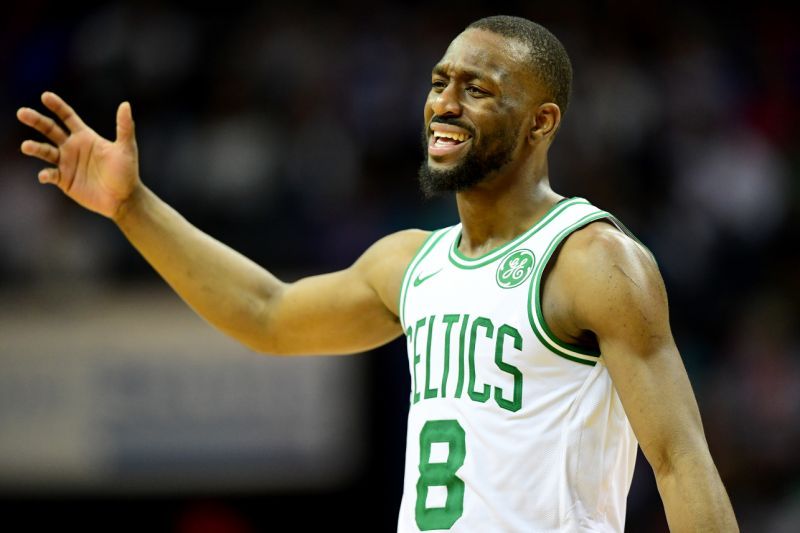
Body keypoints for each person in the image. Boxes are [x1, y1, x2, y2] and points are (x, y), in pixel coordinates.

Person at [17, 14, 737, 533]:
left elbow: (680, 462)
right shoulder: (411, 263)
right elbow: (267, 313)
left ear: (541, 122)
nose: (445, 103)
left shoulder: (593, 258)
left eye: (478, 89)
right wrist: (132, 207)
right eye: (440, 82)